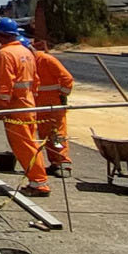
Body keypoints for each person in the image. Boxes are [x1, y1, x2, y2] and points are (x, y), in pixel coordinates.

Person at [0, 18, 50, 196]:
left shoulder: (6, 54)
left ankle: (39, 183)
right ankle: (38, 181)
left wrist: (0, 107)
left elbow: (5, 84)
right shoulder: (26, 52)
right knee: (30, 144)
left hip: (15, 107)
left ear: (1, 35)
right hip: (27, 104)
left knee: (24, 147)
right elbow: (35, 81)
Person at [32, 39, 75, 174]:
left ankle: (63, 162)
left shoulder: (46, 59)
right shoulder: (29, 62)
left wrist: (62, 95)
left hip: (53, 104)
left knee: (56, 134)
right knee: (45, 135)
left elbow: (67, 78)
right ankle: (55, 162)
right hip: (39, 106)